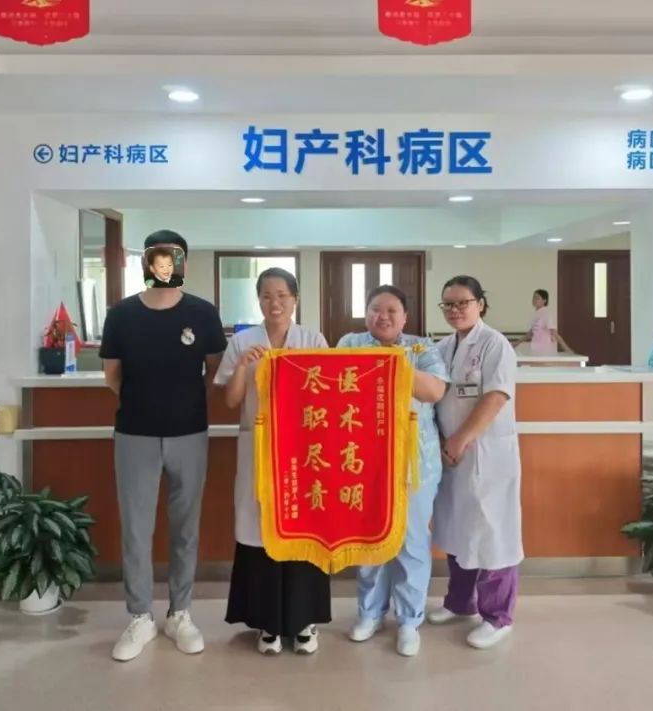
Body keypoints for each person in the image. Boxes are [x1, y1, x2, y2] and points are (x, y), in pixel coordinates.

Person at [100, 230, 227, 662]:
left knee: (185, 528)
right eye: (157, 258)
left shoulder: (202, 313)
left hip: (189, 433)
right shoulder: (121, 315)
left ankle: (179, 613)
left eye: (173, 258)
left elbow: (214, 371)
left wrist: (183, 404)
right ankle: (140, 616)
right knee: (136, 529)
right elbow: (112, 375)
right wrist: (145, 403)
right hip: (134, 434)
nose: (165, 266)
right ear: (146, 263)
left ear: (183, 263)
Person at [214, 268, 332, 656]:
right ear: (259, 300)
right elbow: (231, 400)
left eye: (282, 295)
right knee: (259, 529)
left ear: (295, 299)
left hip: (304, 451)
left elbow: (329, 395)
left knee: (302, 528)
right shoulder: (243, 341)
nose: (274, 302)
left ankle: (304, 620)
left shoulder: (312, 339)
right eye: (266, 295)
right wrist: (243, 366)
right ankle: (267, 622)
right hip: (259, 448)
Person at [339, 286, 449, 657]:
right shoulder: (350, 343)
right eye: (375, 309)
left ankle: (409, 620)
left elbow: (434, 391)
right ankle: (370, 613)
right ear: (365, 313)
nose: (382, 316)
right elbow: (335, 386)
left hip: (415, 463)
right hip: (363, 461)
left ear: (405, 317)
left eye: (391, 310)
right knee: (369, 539)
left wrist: (394, 364)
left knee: (412, 542)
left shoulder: (421, 348)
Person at [428, 275, 522, 650]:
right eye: (448, 304)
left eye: (462, 303)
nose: (455, 310)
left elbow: (496, 397)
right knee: (457, 527)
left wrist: (460, 439)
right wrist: (444, 443)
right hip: (452, 457)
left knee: (493, 532)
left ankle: (498, 616)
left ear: (480, 304)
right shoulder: (442, 346)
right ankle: (460, 601)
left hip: (487, 455)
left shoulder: (496, 344)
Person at [525, 289, 572, 355]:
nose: (534, 299)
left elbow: (554, 332)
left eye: (537, 298)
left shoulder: (546, 313)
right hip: (534, 346)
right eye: (534, 297)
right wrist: (517, 343)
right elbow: (531, 332)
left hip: (545, 348)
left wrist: (566, 348)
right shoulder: (535, 314)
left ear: (544, 300)